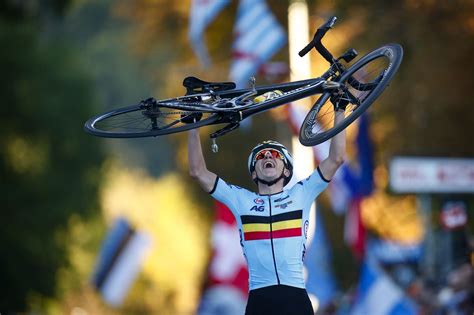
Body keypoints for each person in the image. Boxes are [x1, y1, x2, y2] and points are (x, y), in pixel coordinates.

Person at [188, 109, 346, 315]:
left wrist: (340, 110)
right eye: (261, 156)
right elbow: (198, 172)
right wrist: (192, 126)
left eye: (275, 154)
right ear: (254, 172)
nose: (268, 155)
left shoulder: (301, 194)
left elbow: (335, 159)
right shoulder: (241, 200)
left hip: (295, 300)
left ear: (287, 171)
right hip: (259, 302)